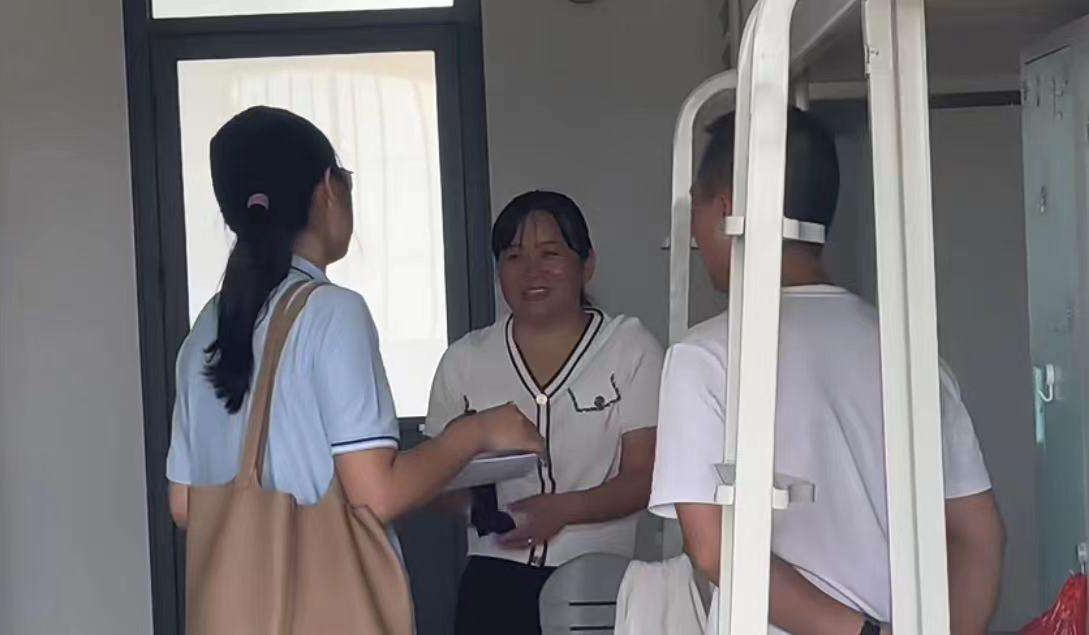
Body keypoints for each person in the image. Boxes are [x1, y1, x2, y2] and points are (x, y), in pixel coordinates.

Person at [648, 108, 1006, 634]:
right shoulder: (908, 353)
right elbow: (979, 534)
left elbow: (712, 548)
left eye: (696, 207)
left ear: (726, 210)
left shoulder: (704, 357)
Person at [165, 107, 543, 566]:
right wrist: (475, 433)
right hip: (323, 591)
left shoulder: (208, 325)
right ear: (328, 189)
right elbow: (375, 495)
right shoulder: (332, 311)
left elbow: (184, 504)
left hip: (237, 591)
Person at [423, 190, 664, 635]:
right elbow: (429, 480)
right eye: (514, 256)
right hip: (492, 587)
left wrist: (566, 510)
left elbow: (644, 476)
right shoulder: (465, 360)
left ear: (586, 264)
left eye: (550, 253)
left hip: (595, 583)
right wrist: (479, 510)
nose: (532, 271)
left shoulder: (629, 348)